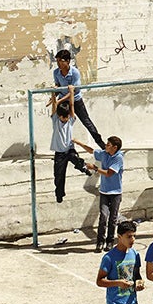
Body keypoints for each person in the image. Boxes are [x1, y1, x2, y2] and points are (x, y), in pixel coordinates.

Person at [49, 47, 103, 203]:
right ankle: (60, 194)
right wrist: (54, 97)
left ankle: (100, 143)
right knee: (59, 171)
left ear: (67, 61)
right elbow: (58, 87)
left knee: (87, 122)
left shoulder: (75, 73)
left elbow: (73, 92)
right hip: (63, 101)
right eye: (57, 61)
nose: (58, 64)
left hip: (75, 99)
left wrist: (59, 99)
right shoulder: (56, 72)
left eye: (61, 61)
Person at [88, 136, 126, 245]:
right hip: (104, 192)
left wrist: (95, 168)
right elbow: (91, 151)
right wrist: (78, 143)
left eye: (108, 145)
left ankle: (110, 241)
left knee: (112, 218)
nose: (106, 146)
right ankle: (100, 241)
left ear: (114, 147)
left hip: (115, 193)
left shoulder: (118, 158)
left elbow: (109, 173)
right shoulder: (104, 154)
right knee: (103, 216)